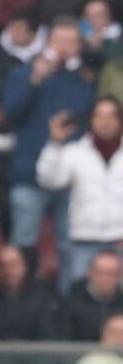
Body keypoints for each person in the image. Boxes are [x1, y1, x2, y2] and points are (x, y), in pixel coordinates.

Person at [35, 96, 123, 284]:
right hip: (84, 240)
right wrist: (55, 143)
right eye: (100, 116)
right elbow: (49, 180)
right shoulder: (75, 152)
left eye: (111, 116)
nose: (105, 122)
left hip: (120, 240)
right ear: (91, 120)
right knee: (78, 294)